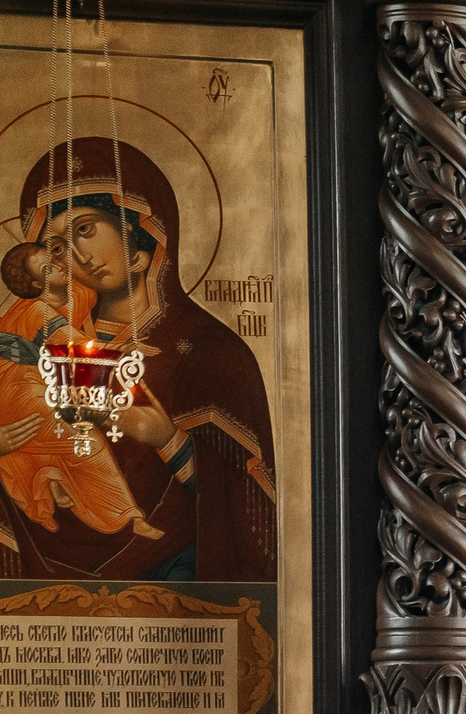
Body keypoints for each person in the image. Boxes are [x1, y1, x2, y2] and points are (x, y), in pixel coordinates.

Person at [0, 139, 278, 583]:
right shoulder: (37, 344)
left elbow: (254, 516)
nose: (74, 256)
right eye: (54, 247)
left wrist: (167, 439)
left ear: (140, 230)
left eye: (85, 229)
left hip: (171, 580)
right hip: (40, 574)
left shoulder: (212, 352)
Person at [0, 236, 163, 545]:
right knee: (84, 440)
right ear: (37, 285)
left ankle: (53, 477)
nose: (58, 265)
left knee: (69, 424)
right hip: (17, 393)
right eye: (47, 269)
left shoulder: (78, 292)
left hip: (38, 382)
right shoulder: (37, 312)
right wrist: (122, 348)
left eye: (53, 258)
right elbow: (76, 347)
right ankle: (128, 516)